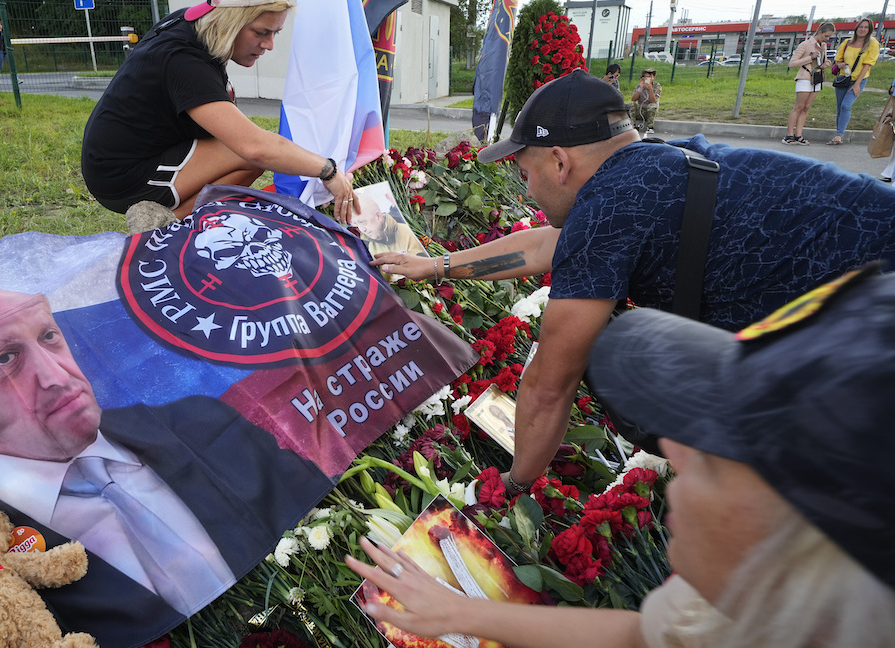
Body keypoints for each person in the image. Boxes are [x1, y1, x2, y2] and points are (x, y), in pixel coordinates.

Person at [369, 70, 895, 493]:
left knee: (619, 351)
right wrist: (437, 267)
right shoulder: (649, 167)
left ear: (558, 161)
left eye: (525, 172)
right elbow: (546, 244)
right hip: (863, 292)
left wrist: (514, 485)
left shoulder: (610, 208)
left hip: (874, 330)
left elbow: (551, 383)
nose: (525, 189)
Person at [347, 266, 895, 648]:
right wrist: (462, 612)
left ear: (811, 542)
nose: (672, 449)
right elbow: (645, 636)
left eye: (721, 451)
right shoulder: (757, 608)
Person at [0, 282, 333, 648]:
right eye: (5, 360)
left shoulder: (202, 423)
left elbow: (325, 518)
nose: (57, 376)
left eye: (50, 336)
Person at [80, 0, 358, 221]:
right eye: (261, 32)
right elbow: (255, 147)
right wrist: (328, 171)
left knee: (247, 149)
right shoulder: (184, 61)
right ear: (230, 21)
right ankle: (165, 224)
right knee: (249, 155)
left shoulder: (192, 23)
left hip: (118, 158)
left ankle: (176, 218)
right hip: (120, 176)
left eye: (275, 33)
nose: (269, 45)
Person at [828, 18, 880, 145]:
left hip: (858, 79)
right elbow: (838, 59)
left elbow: (868, 64)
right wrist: (840, 64)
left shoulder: (872, 44)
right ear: (856, 28)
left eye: (866, 27)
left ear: (870, 30)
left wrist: (857, 84)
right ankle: (838, 135)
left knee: (846, 105)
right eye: (860, 27)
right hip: (843, 79)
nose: (862, 29)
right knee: (840, 107)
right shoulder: (847, 42)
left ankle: (840, 135)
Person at [784, 22, 835, 145]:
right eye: (826, 36)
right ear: (820, 32)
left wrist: (826, 63)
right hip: (805, 78)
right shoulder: (806, 44)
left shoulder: (823, 45)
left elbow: (824, 59)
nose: (827, 39)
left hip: (817, 78)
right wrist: (809, 58)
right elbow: (792, 63)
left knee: (806, 108)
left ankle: (799, 135)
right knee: (799, 107)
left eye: (829, 37)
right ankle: (789, 135)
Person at [353, 192, 424, 257]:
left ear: (378, 216)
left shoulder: (406, 233)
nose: (362, 230)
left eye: (363, 222)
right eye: (356, 224)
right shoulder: (371, 246)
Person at [629, 68, 660, 134]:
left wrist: (650, 89)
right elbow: (633, 100)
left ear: (653, 77)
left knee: (652, 106)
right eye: (645, 77)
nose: (646, 79)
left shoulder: (657, 86)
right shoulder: (639, 86)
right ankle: (633, 125)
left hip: (650, 112)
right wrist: (641, 88)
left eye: (649, 77)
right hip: (640, 110)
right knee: (630, 104)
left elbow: (653, 101)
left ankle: (650, 127)